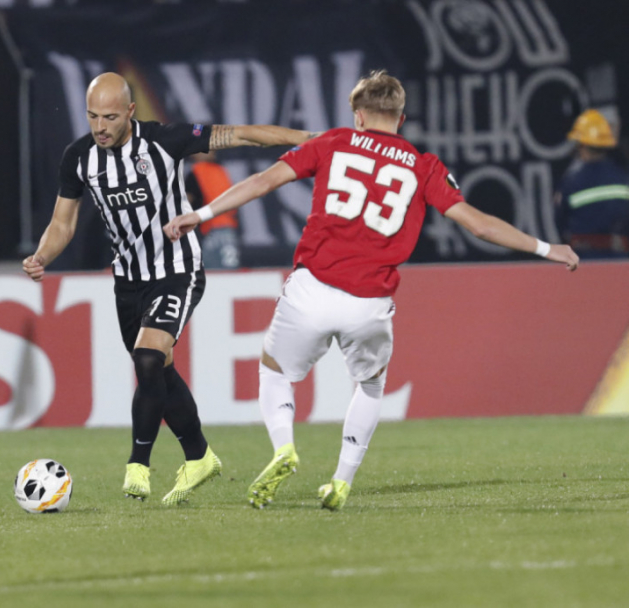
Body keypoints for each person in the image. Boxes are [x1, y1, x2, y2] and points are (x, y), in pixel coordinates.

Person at [164, 70, 579, 510]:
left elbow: (263, 181)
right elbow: (478, 225)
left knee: (275, 372)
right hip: (370, 302)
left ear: (358, 115)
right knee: (370, 386)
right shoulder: (423, 166)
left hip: (312, 288)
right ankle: (341, 481)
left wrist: (201, 214)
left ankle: (284, 447)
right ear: (401, 119)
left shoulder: (334, 142)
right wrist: (546, 248)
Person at [22, 72, 316, 505]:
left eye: (109, 117)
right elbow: (62, 223)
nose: (100, 127)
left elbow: (241, 134)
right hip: (128, 281)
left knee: (147, 357)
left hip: (178, 269)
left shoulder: (163, 140)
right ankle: (199, 456)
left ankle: (138, 466)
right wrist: (42, 256)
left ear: (130, 111)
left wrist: (311, 138)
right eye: (92, 116)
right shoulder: (79, 157)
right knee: (156, 371)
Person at [554, 109, 629, 259]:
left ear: (581, 145)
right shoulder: (623, 179)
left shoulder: (571, 182)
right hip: (620, 259)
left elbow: (560, 222)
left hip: (584, 260)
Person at [185, 151, 241, 269]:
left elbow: (186, 203)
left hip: (213, 228)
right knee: (228, 268)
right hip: (221, 227)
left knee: (211, 269)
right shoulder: (217, 170)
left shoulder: (202, 171)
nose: (211, 152)